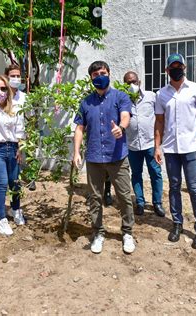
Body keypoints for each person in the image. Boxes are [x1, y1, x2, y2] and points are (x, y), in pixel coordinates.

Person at [73, 60, 135, 254]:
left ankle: (127, 232)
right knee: (95, 197)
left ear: (108, 73)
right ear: (91, 78)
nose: (100, 76)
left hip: (117, 156)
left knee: (124, 196)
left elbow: (125, 115)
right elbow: (80, 128)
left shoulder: (120, 96)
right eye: (95, 74)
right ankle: (98, 233)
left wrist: (121, 128)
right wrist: (76, 152)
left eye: (103, 72)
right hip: (94, 158)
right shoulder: (86, 102)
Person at [154, 53, 196, 249]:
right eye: (172, 67)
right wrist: (157, 147)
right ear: (167, 70)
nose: (176, 69)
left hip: (191, 148)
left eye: (179, 66)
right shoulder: (161, 94)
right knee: (174, 187)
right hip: (170, 148)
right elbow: (159, 122)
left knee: (194, 188)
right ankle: (177, 224)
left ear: (184, 68)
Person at [0, 75, 26, 235]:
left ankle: (15, 210)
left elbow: (20, 129)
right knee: (1, 183)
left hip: (13, 147)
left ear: (8, 90)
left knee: (15, 182)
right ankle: (1, 219)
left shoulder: (15, 106)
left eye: (2, 88)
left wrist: (20, 149)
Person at [123, 71, 165, 216]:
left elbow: (160, 118)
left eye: (133, 81)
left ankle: (157, 203)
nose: (131, 85)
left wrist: (159, 143)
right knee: (136, 174)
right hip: (132, 145)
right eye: (128, 83)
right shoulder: (123, 100)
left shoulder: (151, 97)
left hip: (150, 144)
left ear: (139, 82)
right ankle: (140, 202)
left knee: (156, 173)